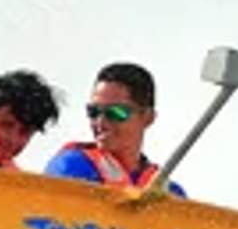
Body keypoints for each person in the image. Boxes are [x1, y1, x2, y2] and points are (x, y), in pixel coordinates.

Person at [44, 61, 185, 196]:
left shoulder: (170, 193)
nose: (101, 122)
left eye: (116, 113)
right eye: (94, 111)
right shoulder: (71, 168)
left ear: (148, 118)